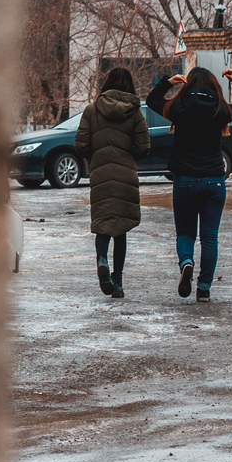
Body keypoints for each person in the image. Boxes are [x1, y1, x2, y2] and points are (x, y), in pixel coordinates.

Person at [147, 65, 232, 302]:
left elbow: (152, 100)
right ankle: (204, 288)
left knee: (185, 233)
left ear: (188, 85)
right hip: (214, 181)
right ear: (214, 86)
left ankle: (186, 261)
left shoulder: (178, 108)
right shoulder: (220, 110)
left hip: (184, 181)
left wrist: (167, 83)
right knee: (210, 238)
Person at [74, 66, 151, 300]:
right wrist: (126, 156)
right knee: (121, 228)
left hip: (100, 174)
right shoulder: (135, 112)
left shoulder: (91, 110)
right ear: (129, 86)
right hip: (125, 175)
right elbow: (144, 147)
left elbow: (80, 145)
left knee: (102, 222)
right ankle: (117, 282)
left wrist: (97, 154)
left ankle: (101, 260)